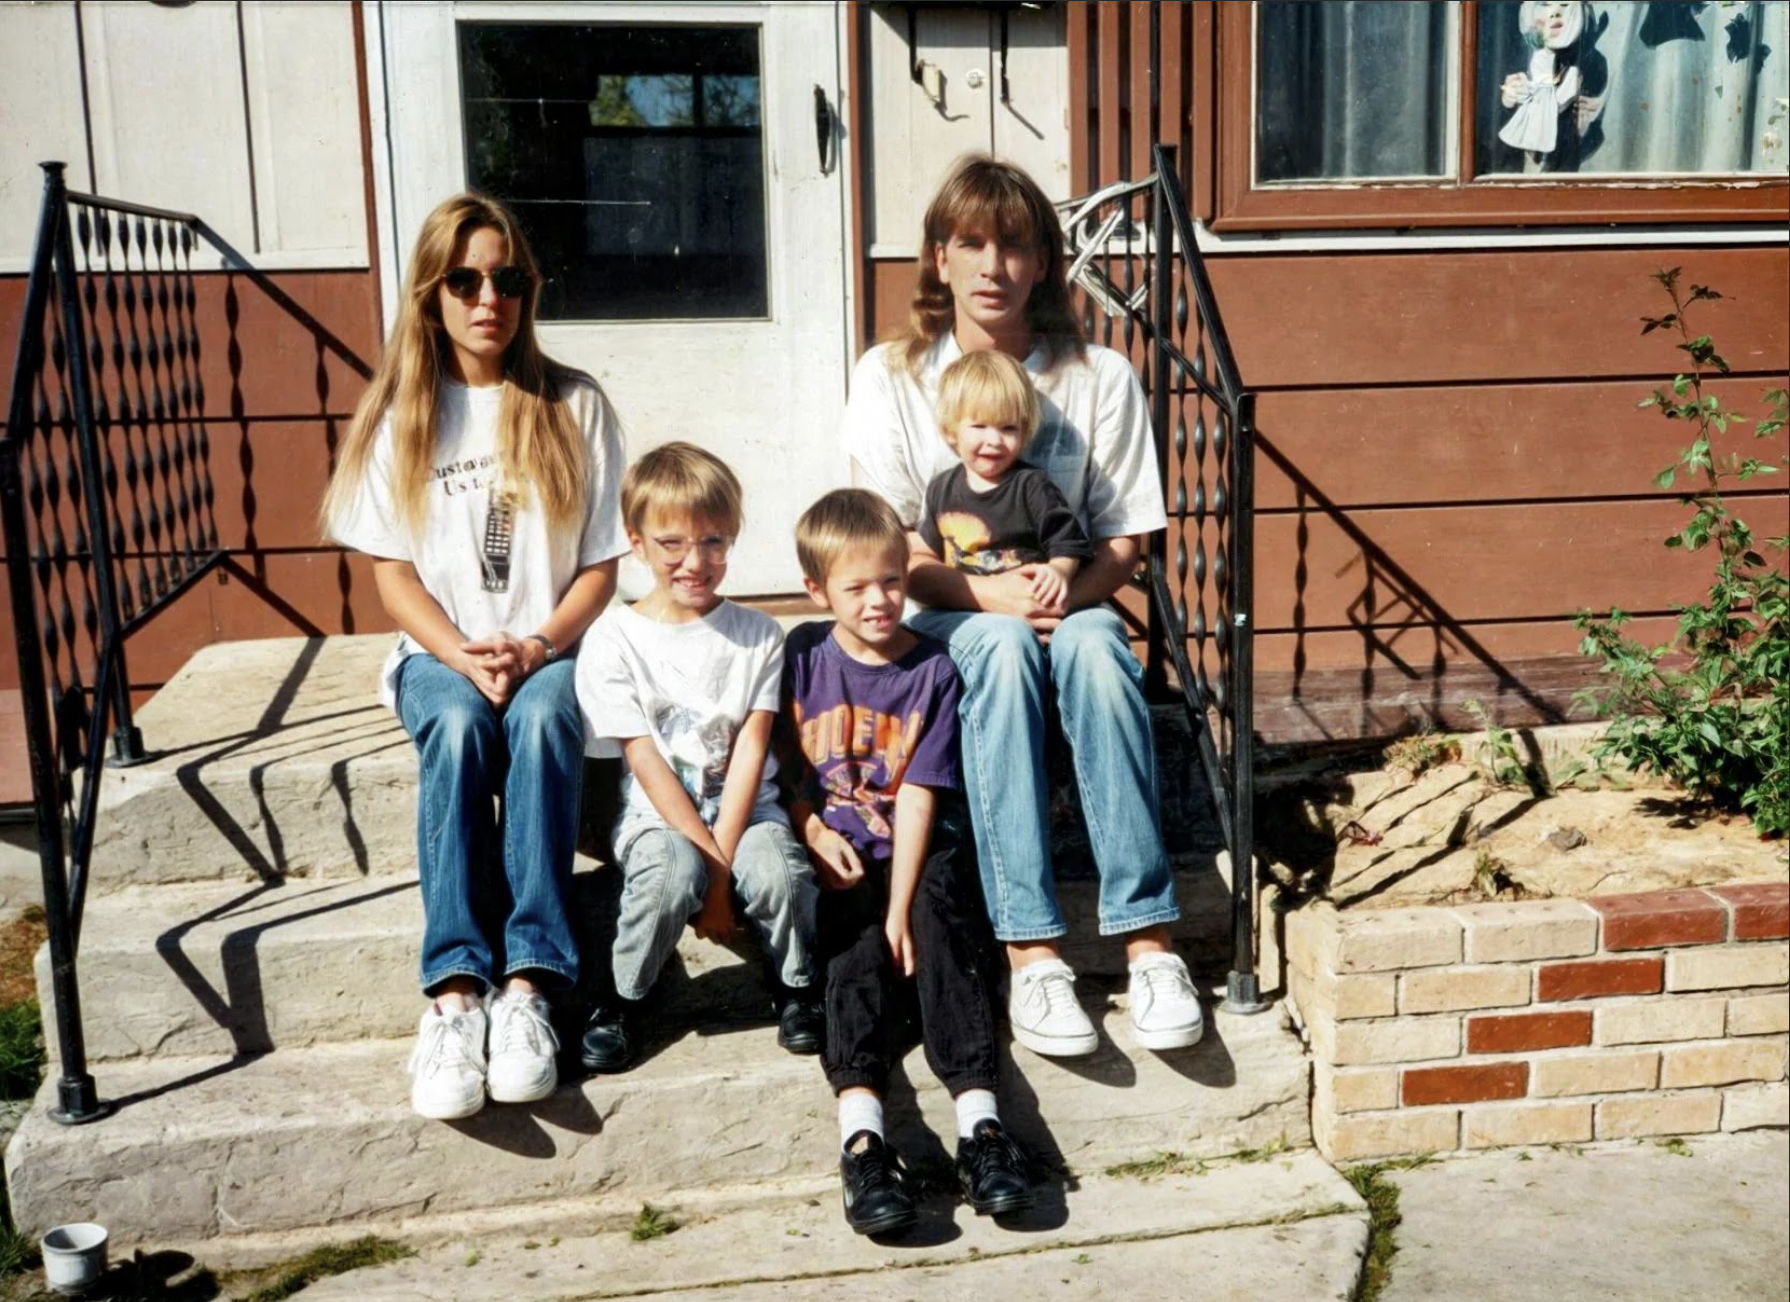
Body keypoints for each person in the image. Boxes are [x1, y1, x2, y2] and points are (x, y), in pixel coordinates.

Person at [840, 154, 1204, 1059]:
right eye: (971, 243)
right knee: (999, 653)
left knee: (1095, 653)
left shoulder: (1096, 376)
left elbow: (1126, 540)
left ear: (1044, 261)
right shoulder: (891, 376)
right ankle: (1033, 951)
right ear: (938, 259)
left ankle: (1149, 939)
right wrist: (991, 597)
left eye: (1015, 244)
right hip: (950, 613)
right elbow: (892, 551)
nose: (993, 265)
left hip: (1070, 598)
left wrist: (1059, 597)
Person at [322, 193, 626, 1119]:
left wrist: (534, 645)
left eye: (508, 278)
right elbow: (393, 578)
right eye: (465, 279)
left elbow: (603, 566)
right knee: (455, 730)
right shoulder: (399, 416)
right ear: (432, 293)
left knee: (539, 725)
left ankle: (530, 985)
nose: (488, 297)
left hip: (550, 647)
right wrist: (460, 652)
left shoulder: (573, 403)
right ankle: (456, 993)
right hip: (437, 652)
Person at [782, 489, 1031, 1237]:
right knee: (854, 960)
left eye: (891, 580)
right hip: (840, 853)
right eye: (855, 587)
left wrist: (902, 909)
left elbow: (921, 794)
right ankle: (863, 1145)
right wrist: (811, 829)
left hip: (917, 847)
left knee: (938, 931)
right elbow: (783, 767)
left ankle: (982, 1132)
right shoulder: (799, 656)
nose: (878, 600)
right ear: (817, 591)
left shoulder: (934, 668)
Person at [576, 442, 821, 1072]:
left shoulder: (759, 635)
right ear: (635, 542)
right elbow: (644, 761)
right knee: (667, 878)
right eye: (672, 544)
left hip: (748, 809)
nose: (696, 561)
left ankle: (795, 988)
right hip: (658, 816)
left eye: (713, 542)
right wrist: (708, 873)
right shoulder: (613, 638)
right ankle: (625, 999)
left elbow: (750, 752)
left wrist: (725, 875)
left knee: (782, 874)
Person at [918, 348, 1091, 610]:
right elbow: (928, 554)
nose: (995, 441)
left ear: (1025, 432)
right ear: (950, 431)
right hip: (966, 613)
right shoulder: (940, 490)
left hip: (1031, 602)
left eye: (1008, 428)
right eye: (979, 426)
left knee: (1097, 629)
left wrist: (1058, 571)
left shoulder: (1032, 486)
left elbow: (1067, 543)